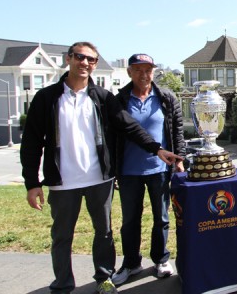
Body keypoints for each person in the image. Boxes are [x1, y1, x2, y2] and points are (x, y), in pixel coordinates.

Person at [20, 42, 184, 294]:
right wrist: (32, 183)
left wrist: (157, 149)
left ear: (95, 64)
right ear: (69, 59)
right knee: (62, 237)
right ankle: (62, 284)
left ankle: (104, 277)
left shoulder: (103, 98)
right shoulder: (47, 98)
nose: (85, 63)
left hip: (99, 178)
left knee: (104, 233)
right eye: (80, 57)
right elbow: (31, 142)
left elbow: (129, 126)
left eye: (91, 60)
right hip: (62, 181)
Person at [112, 54, 186, 285]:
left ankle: (161, 259)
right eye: (138, 70)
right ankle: (131, 264)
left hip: (160, 169)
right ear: (129, 72)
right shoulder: (120, 99)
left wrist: (179, 159)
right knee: (130, 220)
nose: (144, 75)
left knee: (161, 218)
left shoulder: (166, 97)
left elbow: (177, 131)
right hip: (128, 171)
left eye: (148, 70)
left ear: (154, 72)